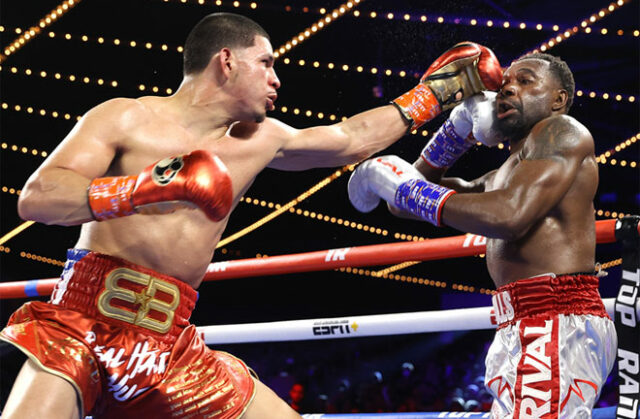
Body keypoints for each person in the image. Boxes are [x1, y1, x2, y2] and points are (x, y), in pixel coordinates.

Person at [0, 12, 503, 419]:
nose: (276, 78)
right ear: (226, 60)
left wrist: (434, 94)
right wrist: (143, 187)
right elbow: (40, 197)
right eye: (265, 63)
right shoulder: (125, 116)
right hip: (83, 320)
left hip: (169, 342)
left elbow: (350, 139)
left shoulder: (260, 139)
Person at [348, 53, 617, 417]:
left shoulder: (562, 131)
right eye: (506, 81)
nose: (507, 87)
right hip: (521, 320)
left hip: (554, 317)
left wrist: (407, 191)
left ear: (558, 100)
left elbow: (509, 216)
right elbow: (408, 201)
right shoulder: (499, 176)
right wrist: (454, 132)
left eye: (525, 81)